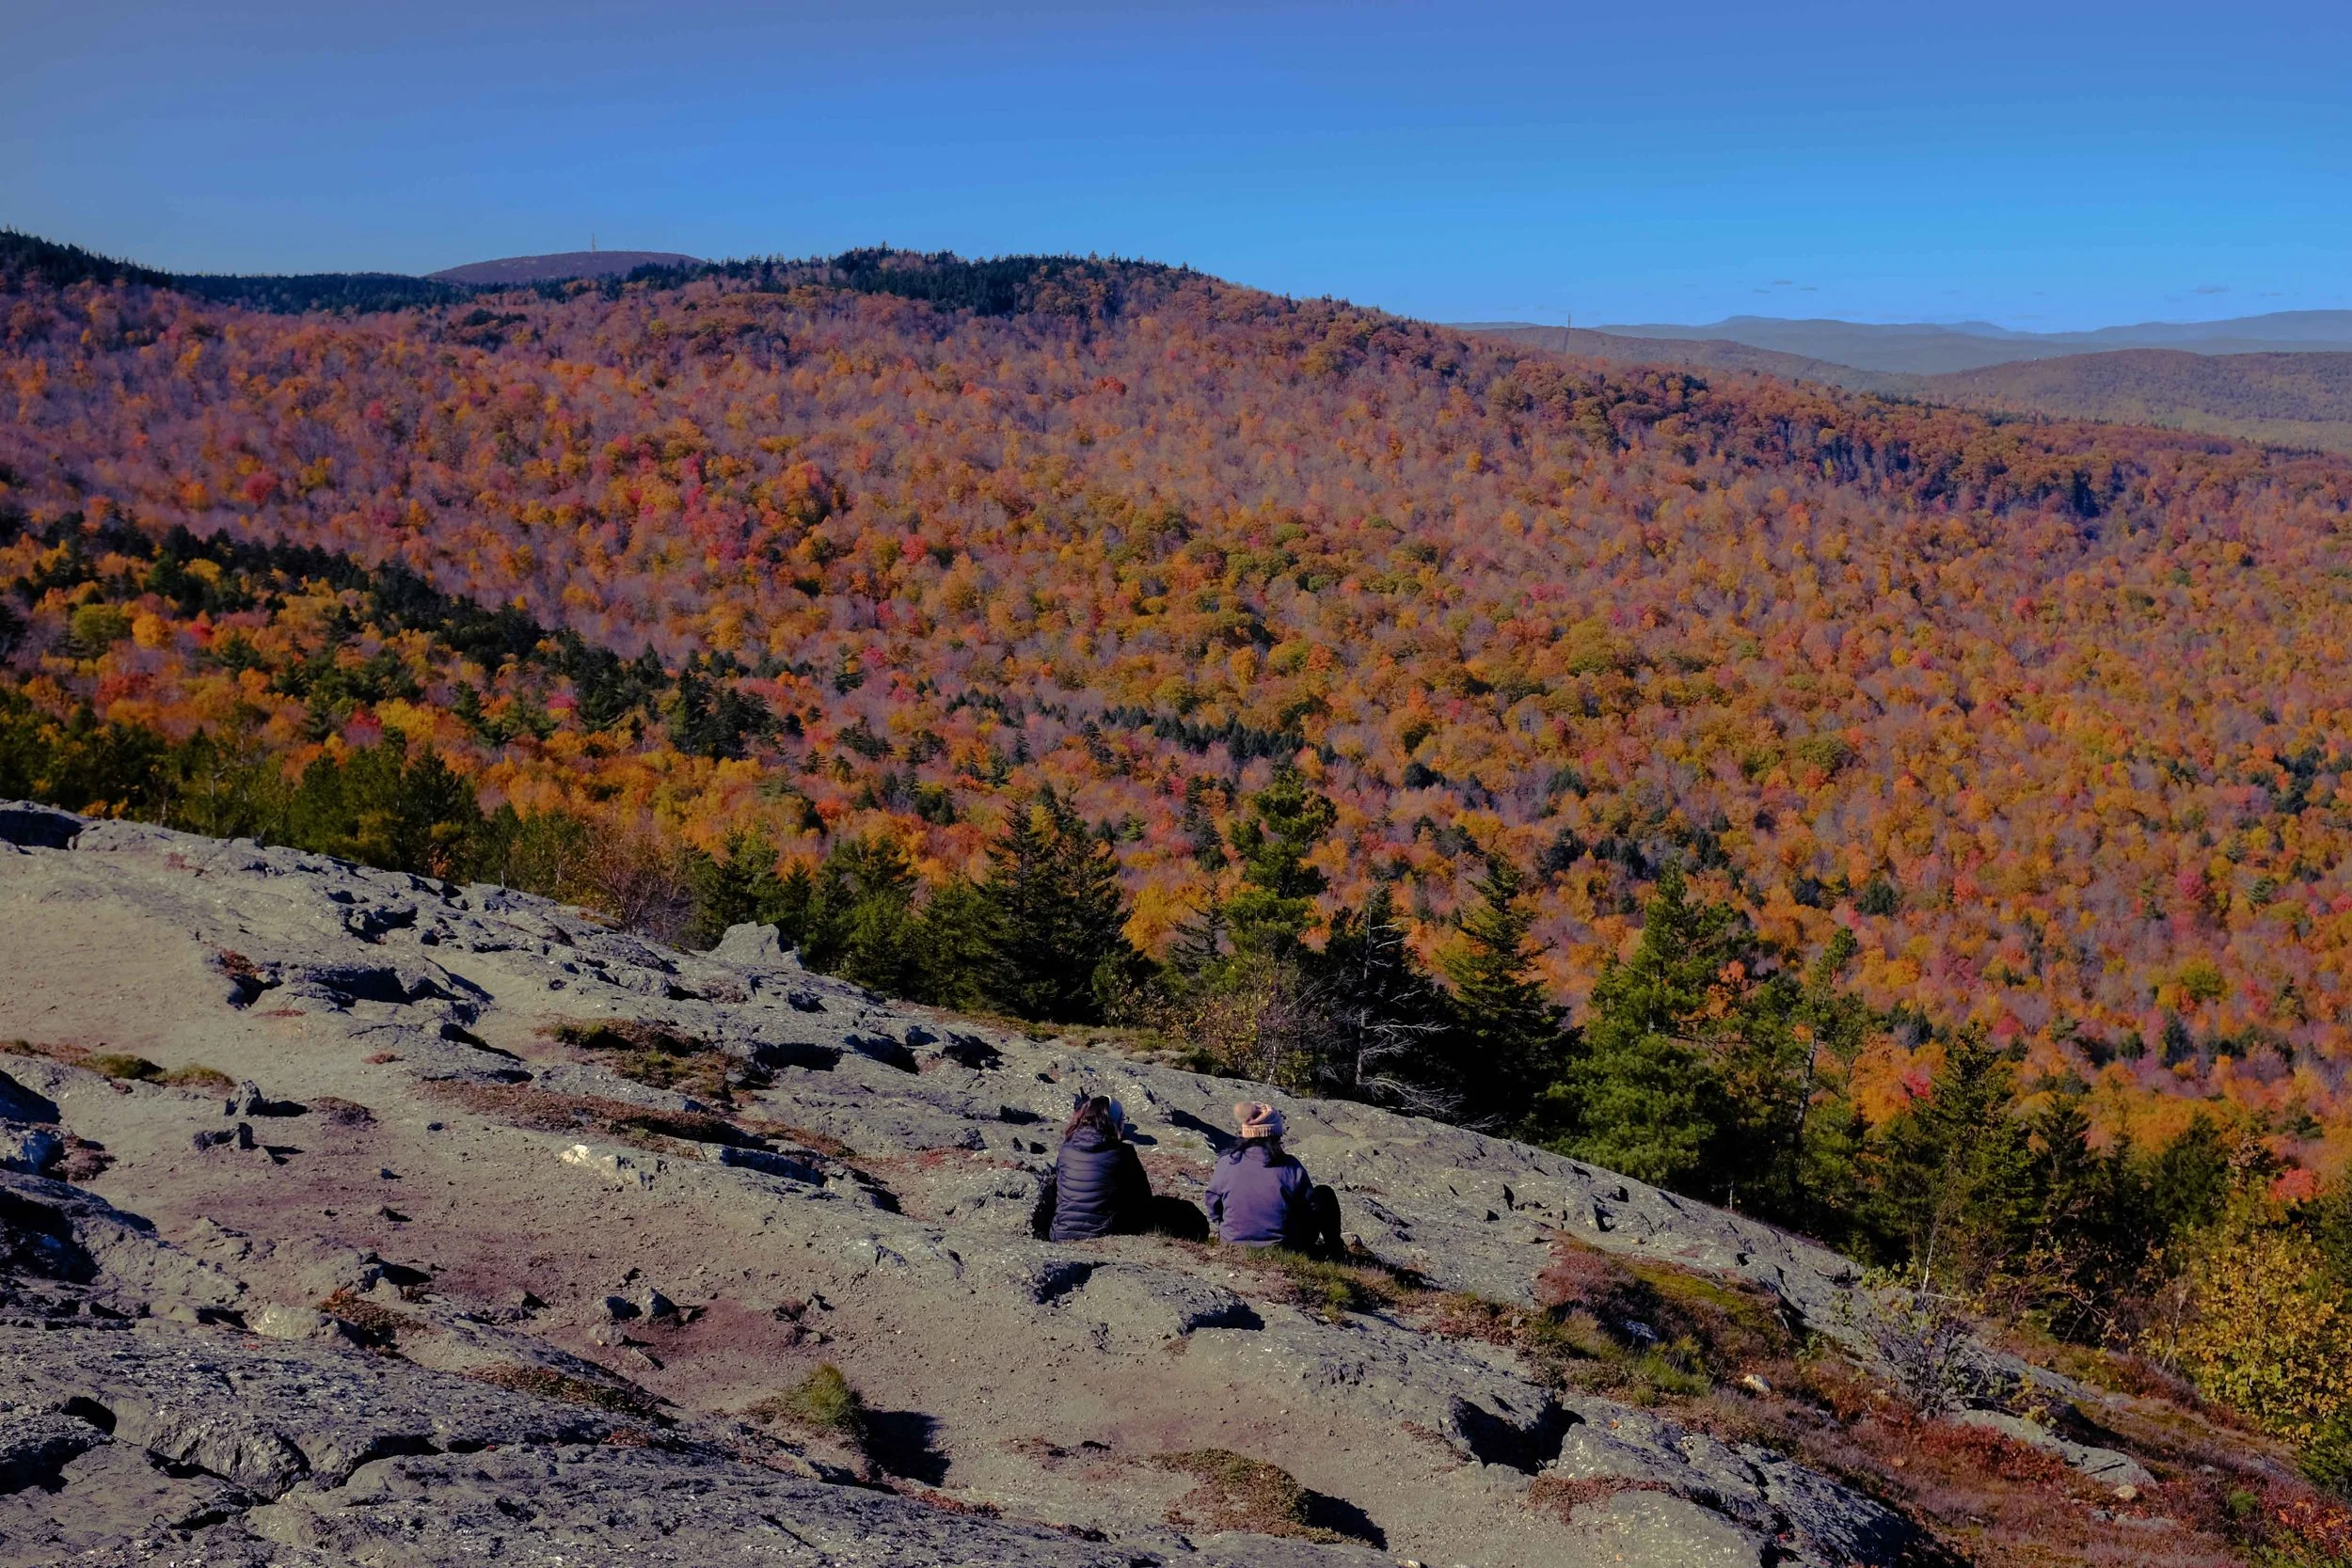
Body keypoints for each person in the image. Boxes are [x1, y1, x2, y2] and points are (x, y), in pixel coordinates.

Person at [1203, 1101, 1343, 1256]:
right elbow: (1309, 1207)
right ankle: (1335, 1251)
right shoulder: (1290, 1167)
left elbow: (1213, 1206)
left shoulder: (1227, 1162)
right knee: (1324, 1193)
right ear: (1275, 1134)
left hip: (1233, 1243)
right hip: (1282, 1247)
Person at [1047, 1094, 1152, 1242]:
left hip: (1061, 1234)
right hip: (1103, 1234)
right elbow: (1143, 1198)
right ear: (1116, 1121)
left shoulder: (1066, 1149)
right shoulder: (1122, 1153)